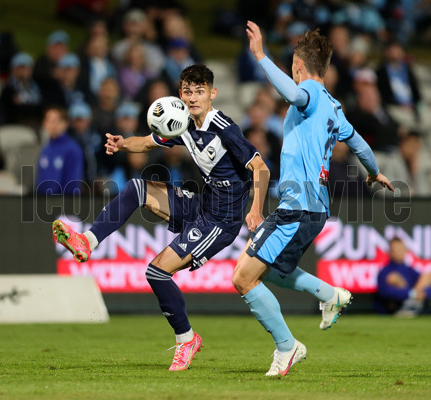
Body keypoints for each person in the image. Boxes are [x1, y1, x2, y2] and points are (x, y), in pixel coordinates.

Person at [52, 64, 270, 371]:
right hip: (201, 206)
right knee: (137, 188)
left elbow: (261, 168)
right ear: (180, 94)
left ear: (212, 94)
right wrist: (121, 143)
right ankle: (86, 241)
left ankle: (187, 339)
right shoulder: (182, 123)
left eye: (200, 91)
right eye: (188, 92)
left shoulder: (224, 129)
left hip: (220, 221)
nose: (194, 98)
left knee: (156, 272)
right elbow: (146, 142)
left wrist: (256, 208)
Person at [233, 21, 393, 377]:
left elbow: (294, 95)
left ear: (299, 67)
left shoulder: (311, 95)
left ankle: (287, 347)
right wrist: (373, 171)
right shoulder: (335, 108)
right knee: (268, 268)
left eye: (293, 66)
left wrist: (259, 55)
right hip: (308, 206)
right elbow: (361, 145)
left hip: (299, 207)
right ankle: (329, 294)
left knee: (244, 277)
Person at [375, 238, 431, 317]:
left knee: (427, 276)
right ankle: (409, 305)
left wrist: (421, 293)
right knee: (394, 278)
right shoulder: (385, 272)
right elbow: (384, 292)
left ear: (406, 251)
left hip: (417, 303)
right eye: (395, 250)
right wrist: (412, 293)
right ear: (389, 252)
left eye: (400, 249)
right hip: (395, 307)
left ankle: (411, 305)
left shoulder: (410, 270)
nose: (398, 252)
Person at [36, 107, 84, 195]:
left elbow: (73, 182)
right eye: (48, 120)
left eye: (55, 121)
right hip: (43, 203)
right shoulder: (45, 148)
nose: (52, 125)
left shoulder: (72, 149)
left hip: (63, 203)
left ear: (65, 123)